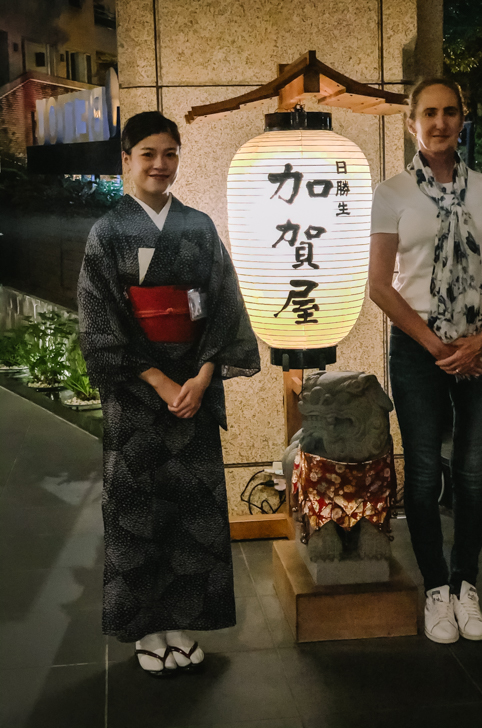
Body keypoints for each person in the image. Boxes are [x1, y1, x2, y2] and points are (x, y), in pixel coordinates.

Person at [78, 111, 260, 675]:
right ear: (126, 161)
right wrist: (159, 381)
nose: (161, 165)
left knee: (192, 510)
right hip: (137, 397)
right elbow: (99, 323)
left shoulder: (199, 227)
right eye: (149, 154)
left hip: (192, 394)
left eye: (170, 154)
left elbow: (224, 306)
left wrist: (202, 376)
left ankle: (181, 623)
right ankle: (145, 630)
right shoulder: (107, 233)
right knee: (139, 511)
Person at [369, 78, 482, 644]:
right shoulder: (391, 194)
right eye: (428, 113)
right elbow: (381, 287)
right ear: (411, 122)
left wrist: (481, 339)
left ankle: (466, 585)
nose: (439, 122)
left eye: (450, 112)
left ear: (463, 119)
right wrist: (438, 347)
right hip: (419, 351)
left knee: (472, 472)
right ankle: (435, 587)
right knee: (425, 471)